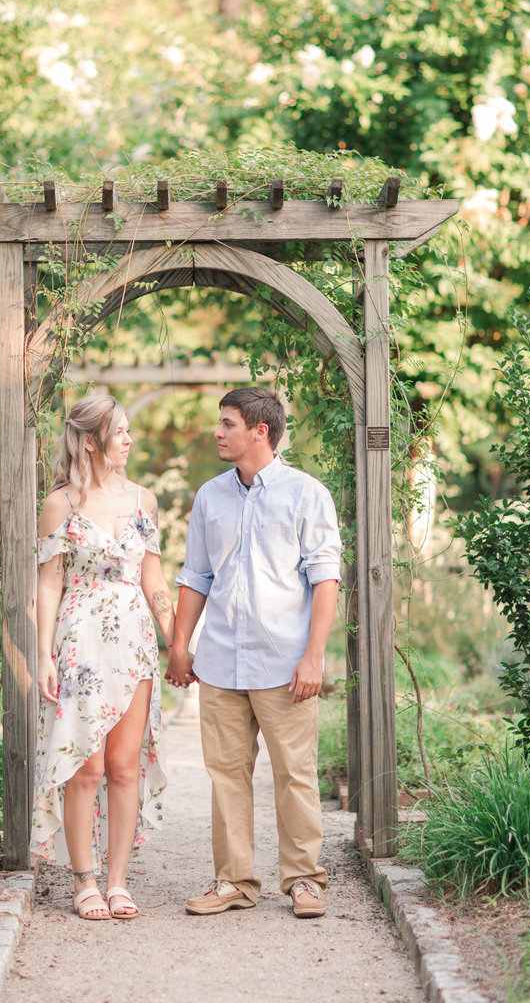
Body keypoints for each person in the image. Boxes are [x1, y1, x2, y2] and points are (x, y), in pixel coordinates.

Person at [166, 387, 341, 919]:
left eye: (227, 424)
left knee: (295, 773)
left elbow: (325, 579)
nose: (217, 432)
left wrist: (314, 658)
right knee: (226, 775)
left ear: (259, 431)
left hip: (284, 664)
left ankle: (304, 880)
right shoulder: (209, 496)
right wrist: (179, 646)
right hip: (220, 660)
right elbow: (196, 576)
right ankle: (234, 882)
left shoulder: (306, 494)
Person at [31, 395, 174, 921]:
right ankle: (83, 880)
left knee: (123, 766)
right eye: (120, 432)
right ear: (90, 441)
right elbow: (49, 584)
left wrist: (178, 643)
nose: (129, 440)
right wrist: (44, 654)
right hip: (81, 643)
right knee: (86, 767)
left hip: (134, 643)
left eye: (129, 431)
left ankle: (117, 882)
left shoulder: (144, 501)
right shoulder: (60, 504)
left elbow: (154, 581)